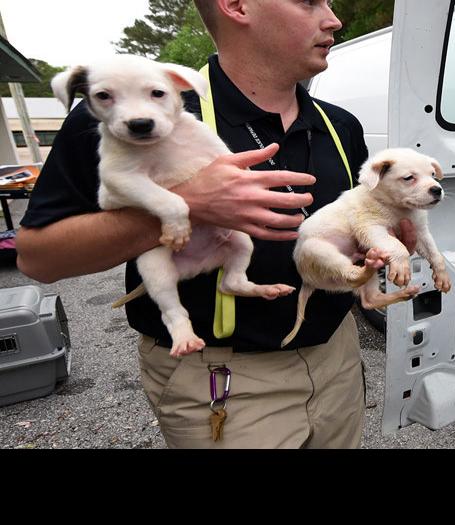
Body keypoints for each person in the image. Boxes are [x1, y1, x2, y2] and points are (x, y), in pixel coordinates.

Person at [16, 0, 414, 448]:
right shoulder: (131, 114)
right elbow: (38, 258)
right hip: (221, 377)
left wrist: (384, 235)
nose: (333, 18)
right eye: (308, 1)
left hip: (338, 358)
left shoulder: (340, 124)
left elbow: (360, 217)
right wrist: (187, 204)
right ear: (237, 6)